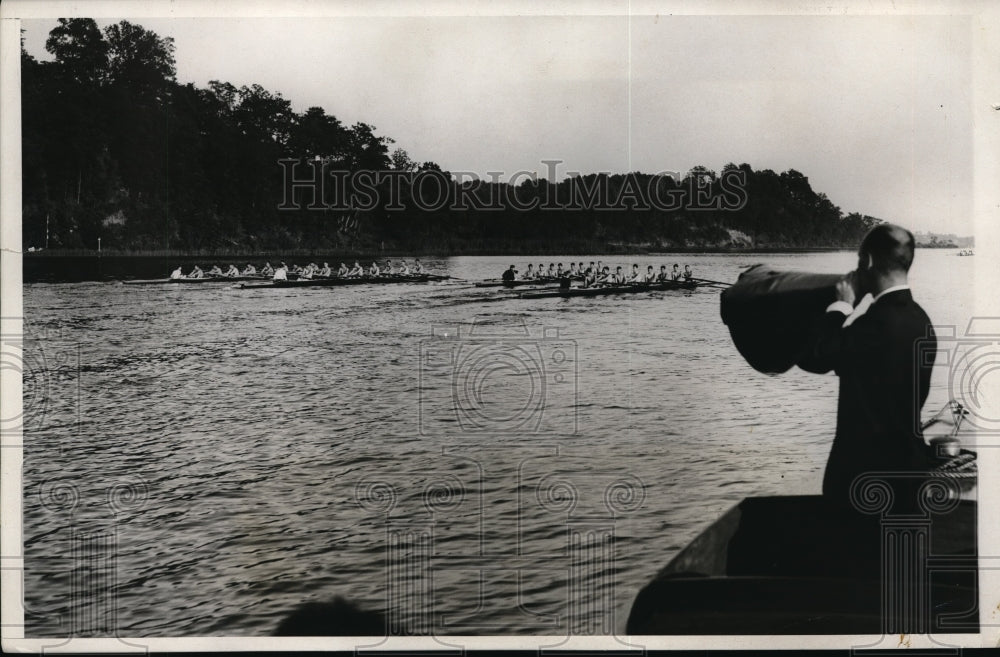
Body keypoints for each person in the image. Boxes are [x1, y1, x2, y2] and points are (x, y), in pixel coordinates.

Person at [806, 224, 937, 508]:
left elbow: (817, 357)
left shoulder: (874, 325)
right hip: (911, 474)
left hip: (864, 479)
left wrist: (842, 306)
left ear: (866, 261)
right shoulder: (922, 321)